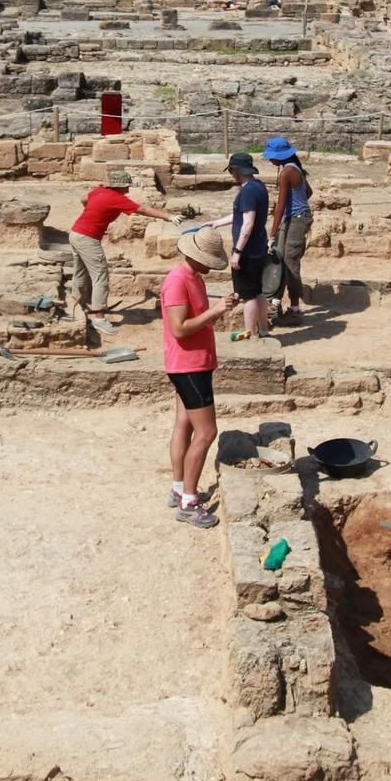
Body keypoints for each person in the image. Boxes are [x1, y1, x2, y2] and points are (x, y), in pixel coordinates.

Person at [161, 227, 233, 529]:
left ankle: (179, 488)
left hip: (193, 363)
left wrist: (217, 310)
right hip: (189, 366)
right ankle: (189, 502)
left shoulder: (194, 278)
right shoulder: (178, 281)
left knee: (184, 424)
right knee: (207, 433)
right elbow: (179, 328)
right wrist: (215, 311)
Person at [67, 171, 179, 334]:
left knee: (80, 270)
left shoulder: (98, 191)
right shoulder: (116, 198)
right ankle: (99, 318)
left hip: (75, 233)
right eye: (126, 186)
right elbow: (142, 209)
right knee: (100, 276)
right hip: (88, 238)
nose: (127, 189)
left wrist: (95, 214)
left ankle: (76, 302)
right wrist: (168, 216)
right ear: (121, 186)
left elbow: (83, 199)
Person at [207, 151, 269, 340]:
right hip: (259, 248)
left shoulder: (247, 191)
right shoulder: (259, 186)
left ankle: (248, 333)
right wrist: (218, 222)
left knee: (248, 295)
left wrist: (237, 252)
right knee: (258, 291)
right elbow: (242, 215)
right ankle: (264, 330)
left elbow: (248, 222)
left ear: (235, 170)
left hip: (248, 252)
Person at [262, 136, 313, 325]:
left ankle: (294, 309)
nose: (269, 160)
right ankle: (276, 302)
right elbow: (309, 192)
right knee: (281, 259)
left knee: (290, 264)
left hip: (296, 219)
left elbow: (280, 206)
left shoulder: (286, 173)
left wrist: (272, 234)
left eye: (271, 156)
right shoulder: (295, 168)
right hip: (296, 217)